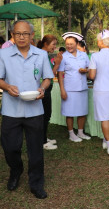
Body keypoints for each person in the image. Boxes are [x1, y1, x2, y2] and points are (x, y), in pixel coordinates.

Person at [0, 20, 54, 199]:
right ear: (12, 36)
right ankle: (16, 171)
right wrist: (7, 87)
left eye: (25, 34)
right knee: (10, 148)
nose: (21, 37)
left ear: (32, 36)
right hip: (11, 110)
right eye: (17, 34)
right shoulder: (4, 54)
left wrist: (43, 89)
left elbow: (47, 78)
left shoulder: (40, 54)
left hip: (34, 110)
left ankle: (36, 183)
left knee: (35, 150)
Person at [57, 32, 91, 142]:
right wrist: (62, 89)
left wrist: (86, 70)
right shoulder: (63, 57)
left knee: (82, 111)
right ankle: (71, 134)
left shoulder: (84, 55)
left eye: (71, 44)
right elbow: (60, 74)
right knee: (70, 112)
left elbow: (89, 68)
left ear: (77, 43)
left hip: (82, 87)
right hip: (69, 88)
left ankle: (80, 132)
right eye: (67, 44)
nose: (69, 46)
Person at [37, 35, 63, 150]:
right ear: (46, 44)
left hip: (47, 88)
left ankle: (43, 138)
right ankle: (42, 142)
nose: (55, 47)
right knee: (45, 115)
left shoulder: (44, 55)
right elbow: (48, 75)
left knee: (46, 115)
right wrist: (57, 64)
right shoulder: (42, 55)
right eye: (53, 44)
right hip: (44, 89)